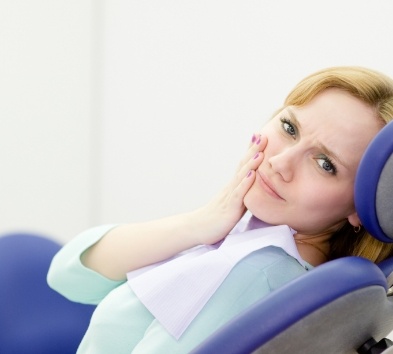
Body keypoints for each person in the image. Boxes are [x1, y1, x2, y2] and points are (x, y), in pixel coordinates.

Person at [48, 66, 393, 353]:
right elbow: (69, 275)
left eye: (324, 163)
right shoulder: (252, 239)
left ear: (360, 207)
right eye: (289, 128)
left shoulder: (258, 274)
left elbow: (67, 282)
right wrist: (202, 222)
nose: (279, 162)